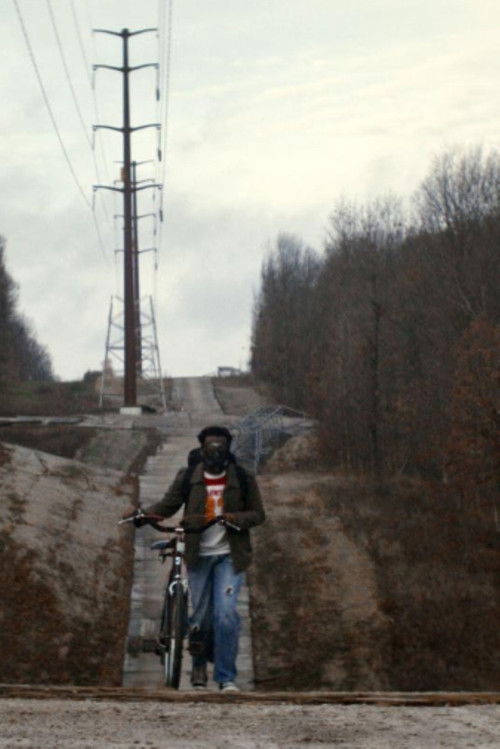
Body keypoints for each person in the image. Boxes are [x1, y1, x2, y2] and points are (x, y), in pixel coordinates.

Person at [124, 425, 265, 692]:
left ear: (228, 448)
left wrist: (235, 518)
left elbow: (258, 514)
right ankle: (198, 665)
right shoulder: (189, 476)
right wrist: (143, 516)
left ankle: (225, 678)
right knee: (201, 618)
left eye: (221, 446)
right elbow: (167, 506)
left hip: (229, 556)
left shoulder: (242, 477)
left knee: (226, 616)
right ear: (202, 448)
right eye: (210, 446)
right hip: (198, 555)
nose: (215, 451)